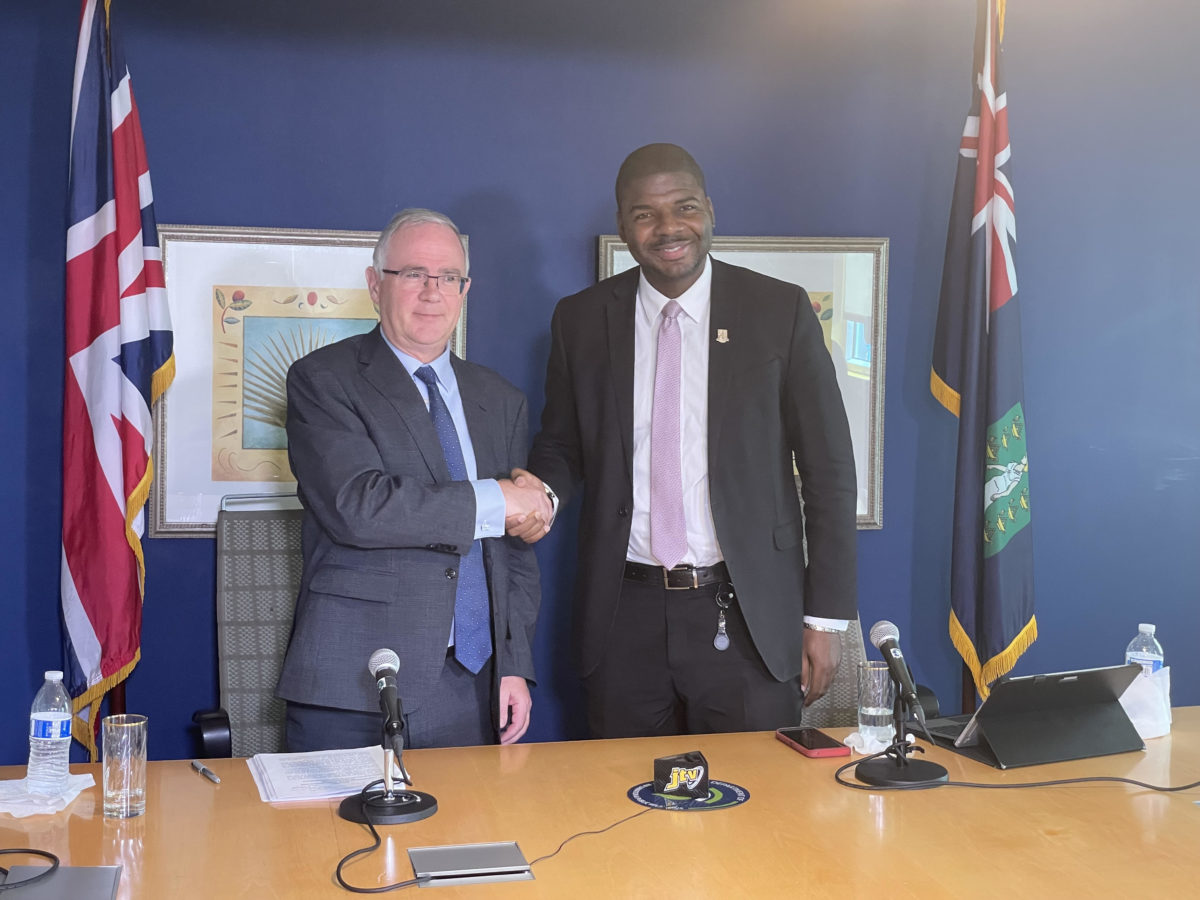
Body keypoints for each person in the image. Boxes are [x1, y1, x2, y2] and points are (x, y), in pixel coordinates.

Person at [520, 144, 858, 738]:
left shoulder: (779, 311)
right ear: (623, 225)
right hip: (622, 614)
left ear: (710, 210)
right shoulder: (581, 320)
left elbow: (829, 472)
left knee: (755, 794)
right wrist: (541, 493)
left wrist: (826, 620)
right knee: (624, 791)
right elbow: (563, 445)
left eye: (684, 207)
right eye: (645, 214)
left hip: (747, 610)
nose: (669, 227)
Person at [277, 208, 551, 751]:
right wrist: (498, 498)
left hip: (472, 684)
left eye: (448, 277)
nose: (432, 292)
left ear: (465, 290)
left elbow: (512, 553)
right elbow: (358, 506)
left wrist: (514, 664)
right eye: (413, 274)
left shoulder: (500, 399)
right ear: (375, 285)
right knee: (336, 816)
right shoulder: (323, 380)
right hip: (355, 683)